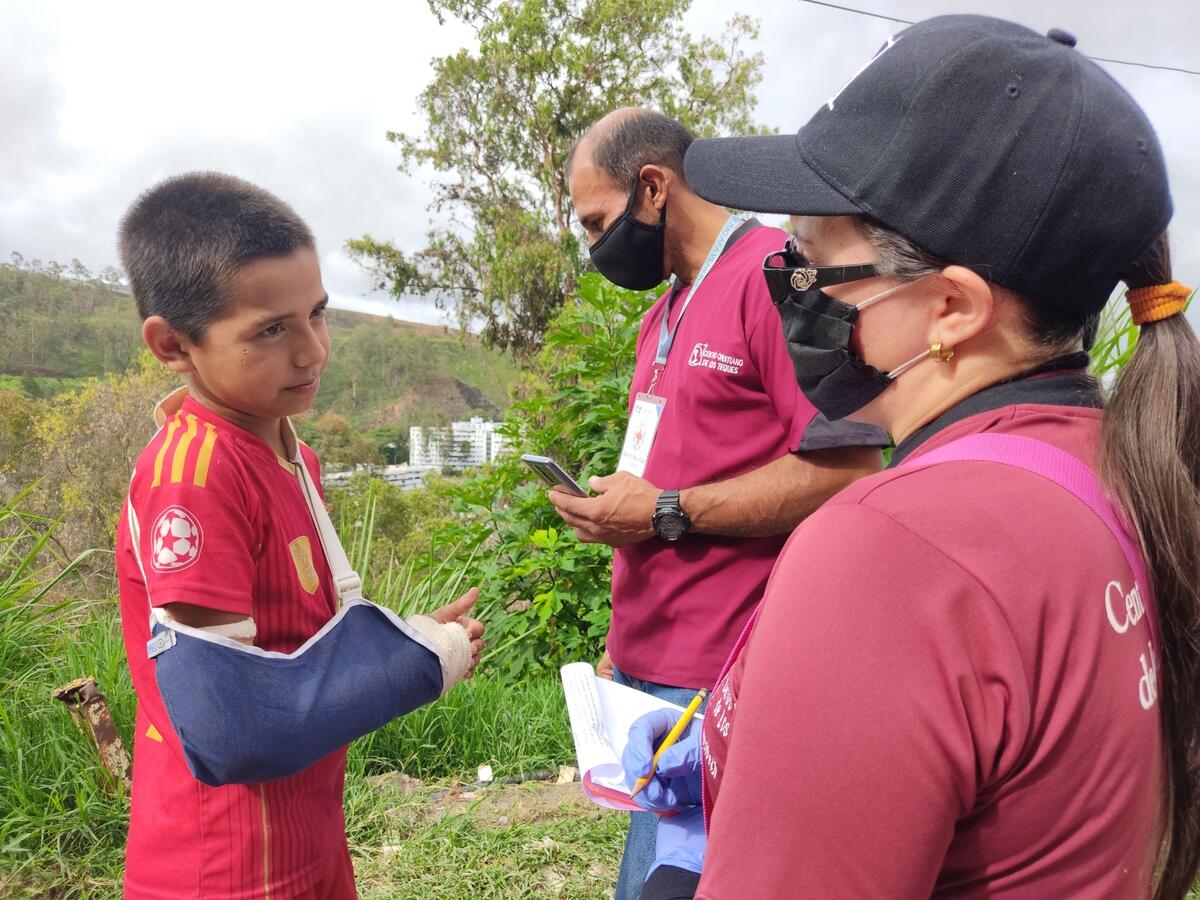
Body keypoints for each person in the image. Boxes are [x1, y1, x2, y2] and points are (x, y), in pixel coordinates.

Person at [623, 14, 1200, 899]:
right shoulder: (1120, 470)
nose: (789, 282)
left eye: (812, 261)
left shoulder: (894, 550)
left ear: (951, 309)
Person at [114, 172, 485, 898]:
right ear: (172, 345)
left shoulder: (290, 453)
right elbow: (230, 730)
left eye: (318, 313)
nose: (315, 352)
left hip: (306, 828)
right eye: (271, 330)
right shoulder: (199, 474)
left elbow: (295, 649)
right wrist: (410, 669)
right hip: (225, 859)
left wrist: (403, 642)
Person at [555, 108, 887, 898]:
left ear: (653, 187)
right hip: (653, 675)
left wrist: (666, 510)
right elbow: (667, 466)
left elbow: (848, 468)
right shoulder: (663, 310)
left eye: (597, 221)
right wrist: (622, 633)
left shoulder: (777, 274)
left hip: (732, 675)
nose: (595, 246)